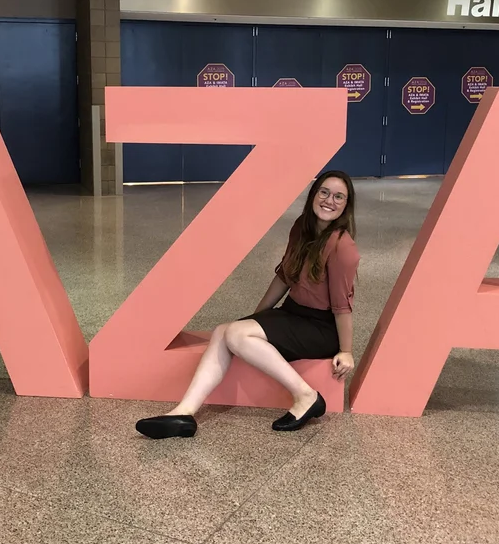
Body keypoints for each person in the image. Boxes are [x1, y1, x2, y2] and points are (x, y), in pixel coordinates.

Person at [135, 170, 360, 439]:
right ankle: (184, 413)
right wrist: (258, 316)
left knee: (236, 333)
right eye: (324, 192)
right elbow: (284, 276)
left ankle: (306, 396)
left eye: (338, 197)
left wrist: (346, 350)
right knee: (224, 330)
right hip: (293, 314)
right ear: (313, 195)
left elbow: (342, 306)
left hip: (321, 327)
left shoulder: (342, 247)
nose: (329, 200)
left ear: (346, 206)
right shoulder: (302, 226)